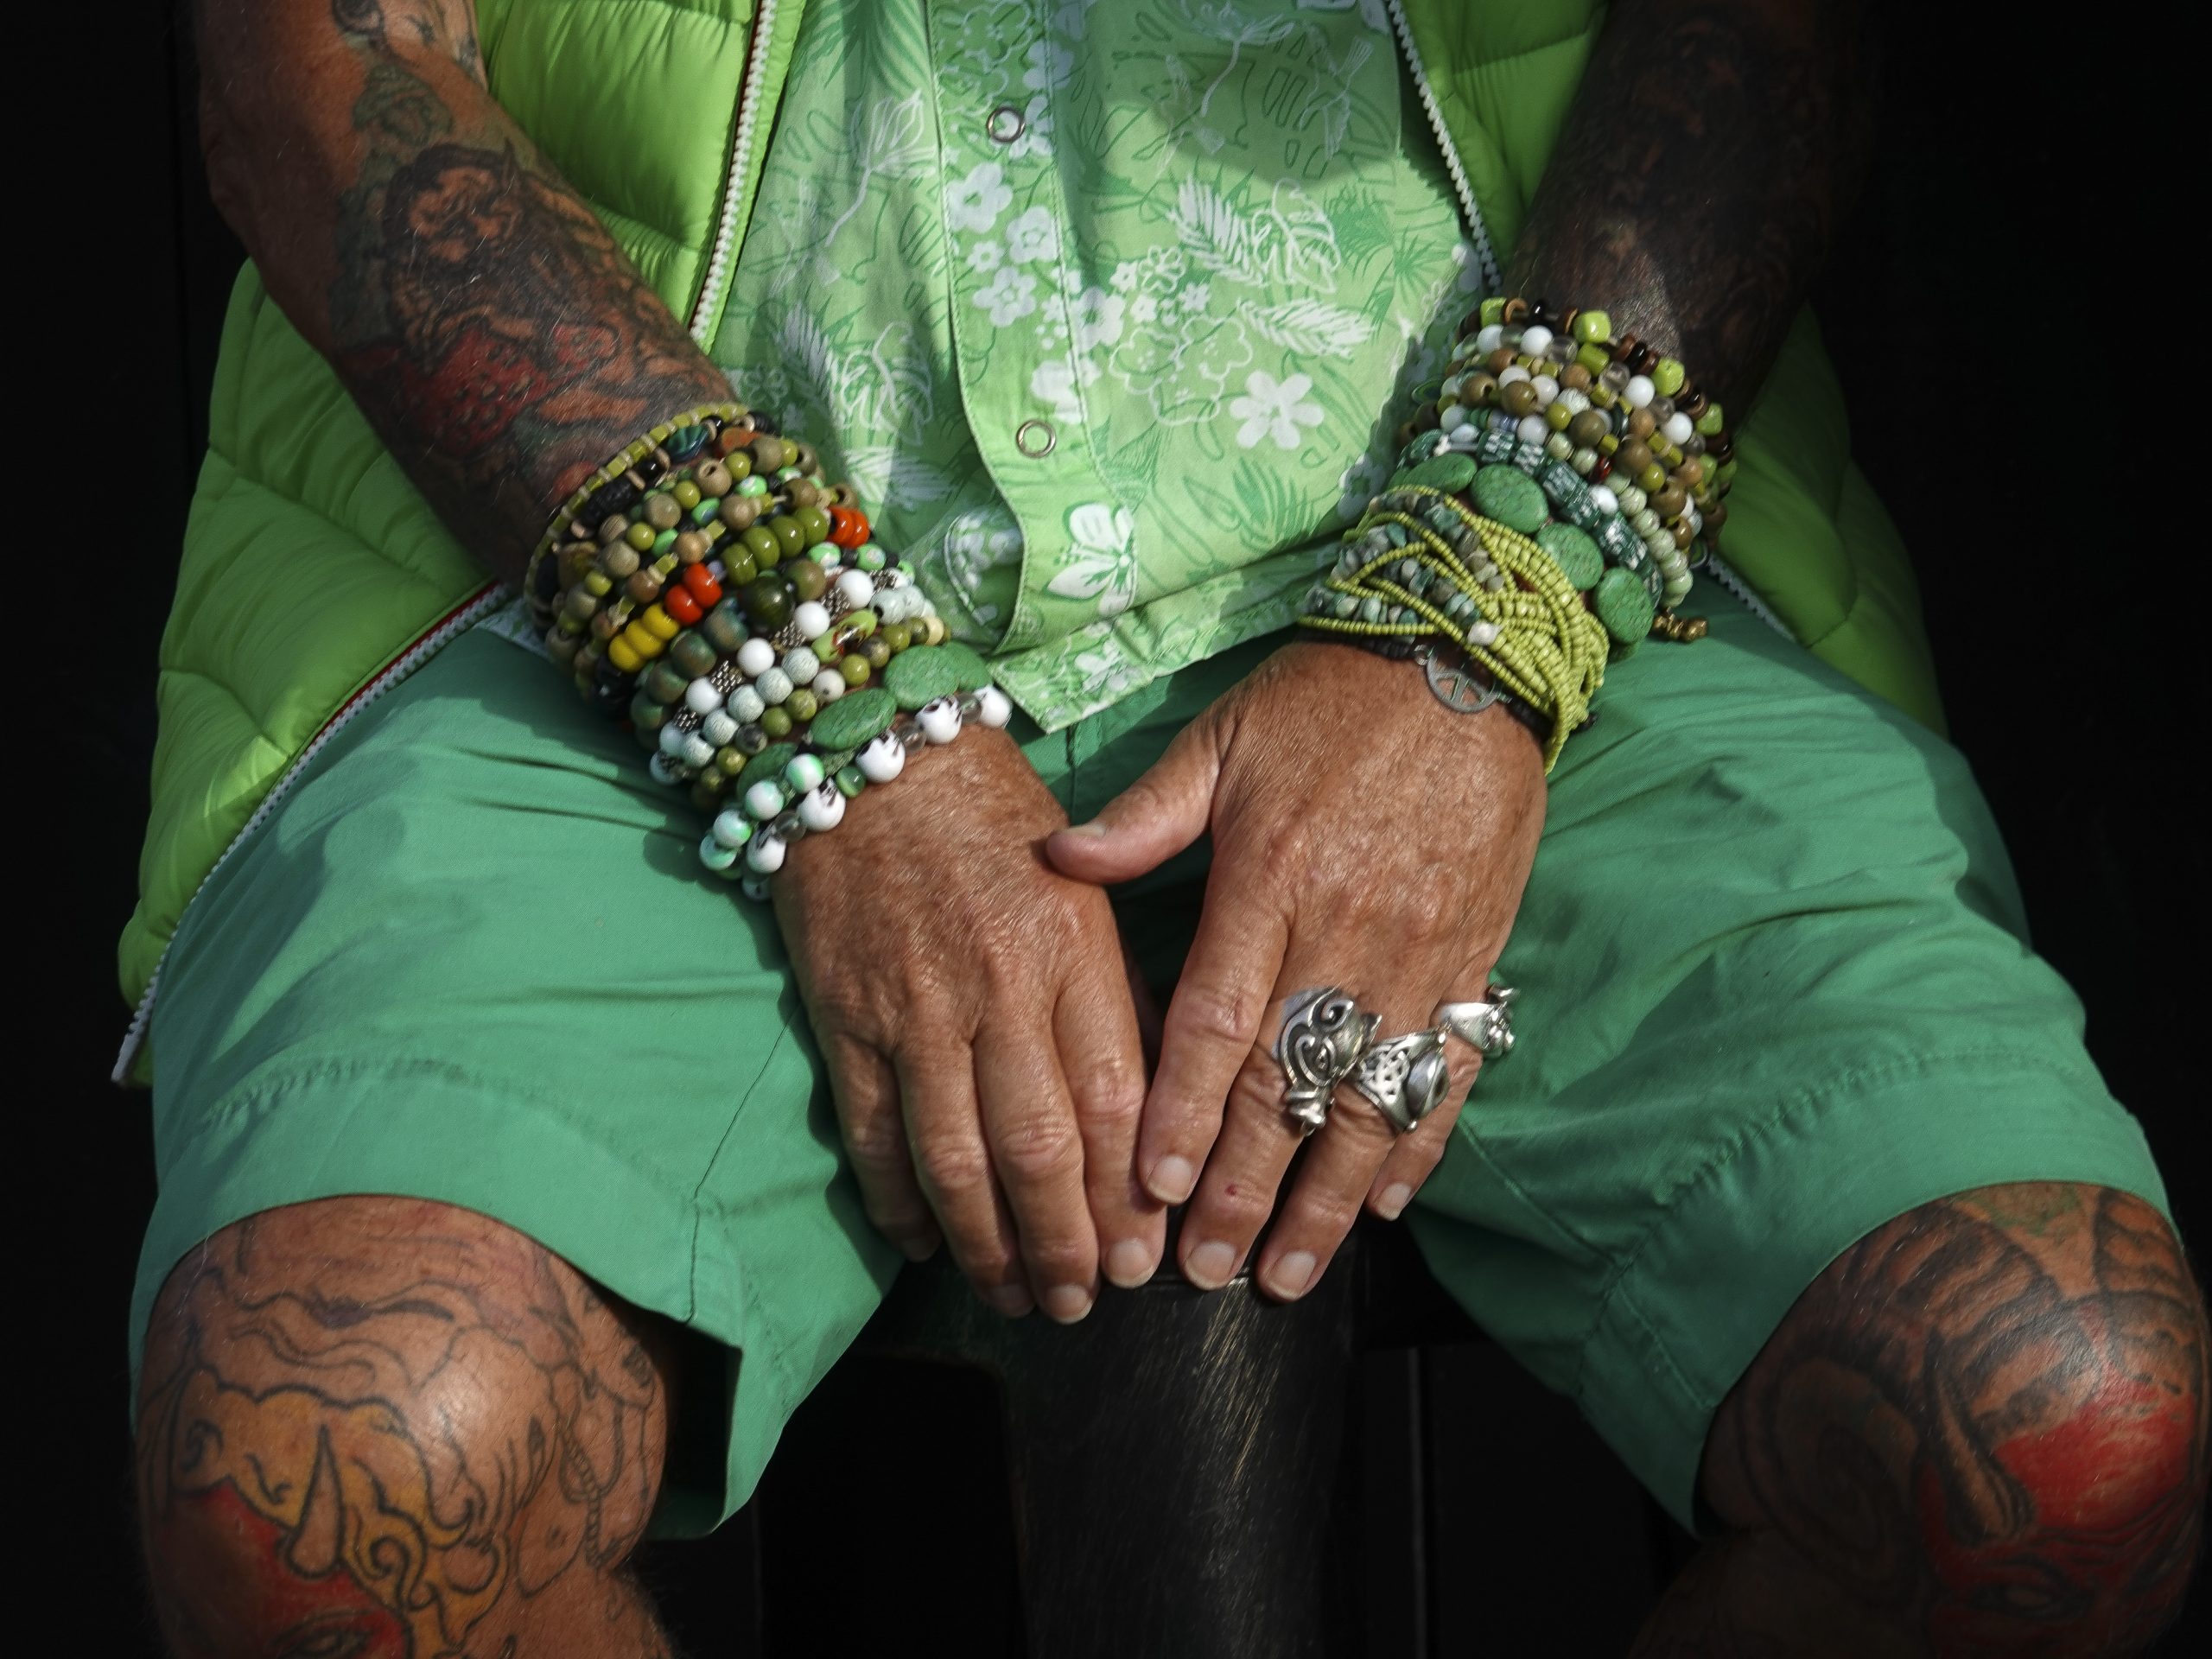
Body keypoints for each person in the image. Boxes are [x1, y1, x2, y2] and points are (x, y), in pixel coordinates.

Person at [127, 1, 2204, 1653]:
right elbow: (321, 66)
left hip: (1540, 499)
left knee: (2040, 1423)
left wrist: (1486, 605)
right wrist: (793, 677)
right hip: (592, 552)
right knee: (343, 1472)